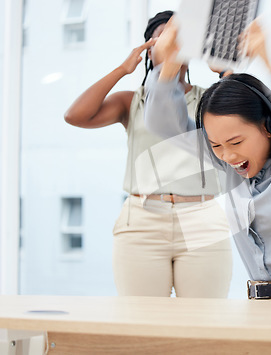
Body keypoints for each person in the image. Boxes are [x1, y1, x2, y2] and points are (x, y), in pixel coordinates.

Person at [144, 18, 271, 301]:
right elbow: (162, 125)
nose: (228, 155)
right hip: (258, 306)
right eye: (216, 145)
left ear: (268, 126)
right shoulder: (230, 168)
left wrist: (269, 61)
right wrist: (171, 64)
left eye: (236, 142)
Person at [64, 11, 232, 298]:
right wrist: (122, 69)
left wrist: (223, 70)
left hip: (202, 219)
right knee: (141, 322)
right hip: (142, 222)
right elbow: (75, 115)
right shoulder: (132, 101)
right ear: (148, 50)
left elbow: (241, 121)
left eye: (179, 38)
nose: (172, 44)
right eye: (163, 37)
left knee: (205, 324)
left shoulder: (210, 99)